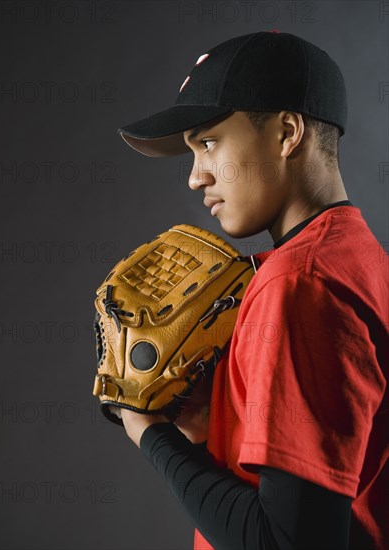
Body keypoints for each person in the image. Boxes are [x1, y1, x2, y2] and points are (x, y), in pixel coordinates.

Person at [115, 31, 388, 550]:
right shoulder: (362, 262)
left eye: (209, 142)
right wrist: (205, 428)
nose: (195, 177)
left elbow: (289, 541)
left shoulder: (299, 283)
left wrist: (147, 429)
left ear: (287, 132)